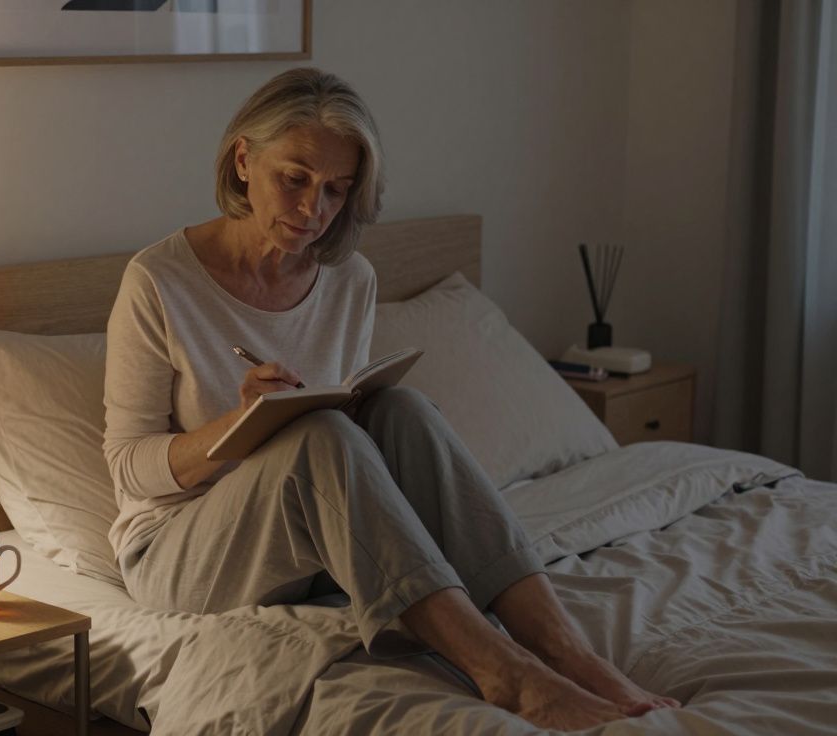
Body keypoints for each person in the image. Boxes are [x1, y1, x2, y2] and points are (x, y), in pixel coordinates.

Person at [102, 67, 678, 730]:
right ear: (242, 159)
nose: (313, 210)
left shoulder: (349, 278)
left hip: (310, 544)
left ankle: (567, 651)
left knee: (401, 411)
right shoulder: (159, 280)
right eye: (294, 178)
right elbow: (127, 466)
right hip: (179, 551)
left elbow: (345, 439)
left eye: (335, 191)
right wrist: (243, 424)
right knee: (321, 437)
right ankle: (505, 673)